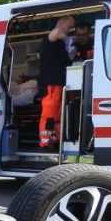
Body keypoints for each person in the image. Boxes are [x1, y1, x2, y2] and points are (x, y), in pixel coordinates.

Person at [38, 16, 75, 149]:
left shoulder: (60, 44)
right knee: (49, 115)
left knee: (57, 115)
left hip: (58, 84)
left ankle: (55, 140)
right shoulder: (51, 39)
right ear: (62, 24)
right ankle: (45, 141)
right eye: (69, 26)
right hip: (50, 84)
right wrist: (65, 33)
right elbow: (55, 33)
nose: (70, 29)